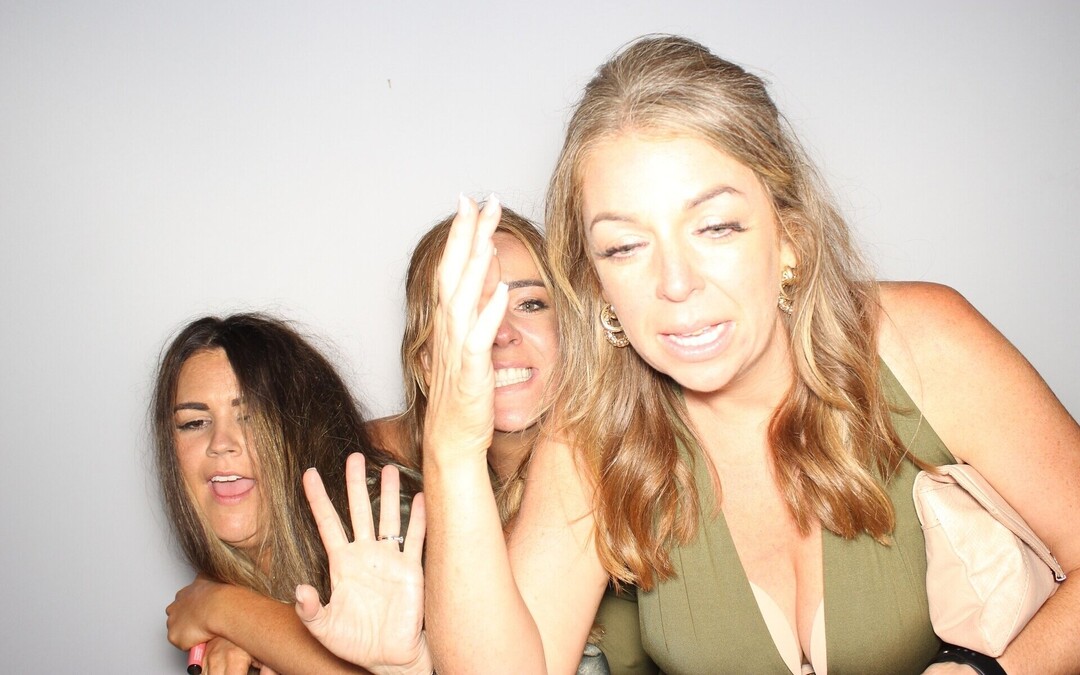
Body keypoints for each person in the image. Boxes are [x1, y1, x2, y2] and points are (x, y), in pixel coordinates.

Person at [413, 36, 1080, 674]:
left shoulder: (922, 341)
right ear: (596, 282)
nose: (676, 284)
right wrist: (452, 449)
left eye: (715, 227)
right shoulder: (593, 434)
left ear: (789, 235)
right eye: (624, 247)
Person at [365, 205, 655, 674]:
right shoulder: (387, 464)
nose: (499, 334)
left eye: (530, 304)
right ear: (427, 363)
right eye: (470, 312)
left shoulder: (606, 453)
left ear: (573, 330)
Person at [154, 313, 429, 674]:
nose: (220, 443)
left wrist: (222, 608)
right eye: (194, 423)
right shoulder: (235, 573)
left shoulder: (383, 519)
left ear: (302, 430)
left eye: (250, 416)